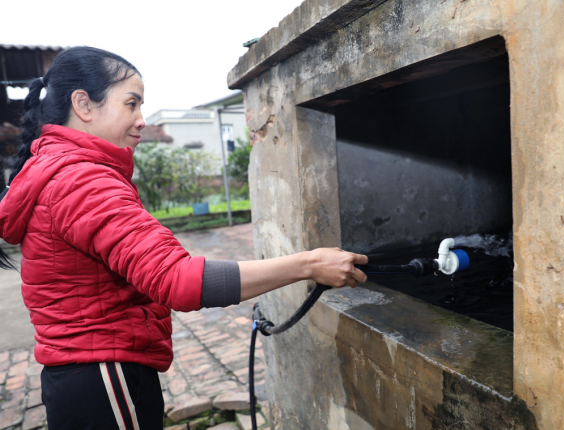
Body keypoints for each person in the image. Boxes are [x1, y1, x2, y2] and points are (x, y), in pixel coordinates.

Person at [0, 46, 368, 430]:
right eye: (131, 104)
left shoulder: (60, 171)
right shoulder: (81, 181)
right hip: (104, 378)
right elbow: (179, 280)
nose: (141, 120)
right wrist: (308, 264)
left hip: (84, 374)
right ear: (83, 104)